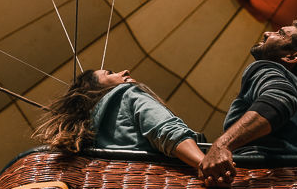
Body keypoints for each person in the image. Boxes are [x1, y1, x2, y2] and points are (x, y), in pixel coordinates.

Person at [200, 22, 297, 187]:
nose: (267, 33)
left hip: (260, 183)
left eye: (280, 33)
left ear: (291, 57)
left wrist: (222, 145)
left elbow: (279, 100)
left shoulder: (267, 69)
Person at [33, 68, 206, 171]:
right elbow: (167, 132)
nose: (124, 71)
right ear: (91, 87)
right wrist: (204, 164)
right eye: (109, 73)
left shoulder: (88, 135)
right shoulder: (127, 93)